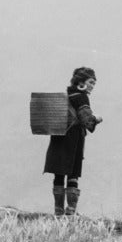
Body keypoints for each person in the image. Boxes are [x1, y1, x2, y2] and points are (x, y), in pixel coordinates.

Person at [42, 66, 100, 216]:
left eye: (94, 83)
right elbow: (87, 120)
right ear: (81, 82)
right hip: (74, 138)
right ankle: (71, 211)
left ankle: (58, 212)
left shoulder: (67, 95)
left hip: (59, 137)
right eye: (91, 82)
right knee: (73, 173)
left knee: (59, 173)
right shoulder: (81, 97)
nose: (92, 86)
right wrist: (97, 119)